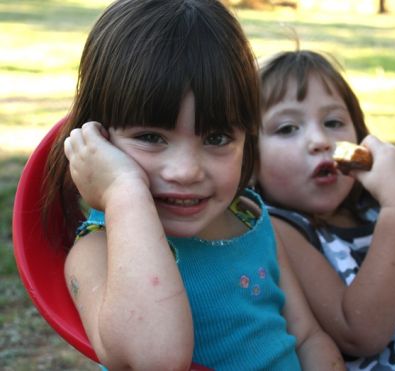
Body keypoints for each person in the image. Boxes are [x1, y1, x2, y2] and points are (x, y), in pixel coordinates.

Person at [41, 2, 345, 370]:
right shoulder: (97, 250)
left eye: (216, 138)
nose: (186, 171)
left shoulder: (251, 221)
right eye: (150, 136)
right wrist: (124, 190)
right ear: (98, 139)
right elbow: (157, 359)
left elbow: (308, 336)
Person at [255, 50, 395, 370]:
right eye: (288, 128)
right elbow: (359, 333)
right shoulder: (278, 230)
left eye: (333, 122)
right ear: (249, 160)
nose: (320, 140)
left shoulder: (374, 212)